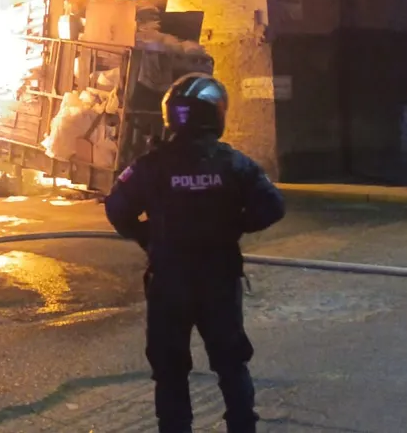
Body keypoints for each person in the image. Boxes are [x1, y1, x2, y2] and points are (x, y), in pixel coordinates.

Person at [103, 73, 285, 433]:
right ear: (215, 115)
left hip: (169, 282)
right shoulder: (233, 164)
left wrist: (147, 236)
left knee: (170, 370)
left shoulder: (151, 165)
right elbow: (273, 206)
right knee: (231, 363)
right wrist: (235, 226)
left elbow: (117, 208)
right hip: (218, 280)